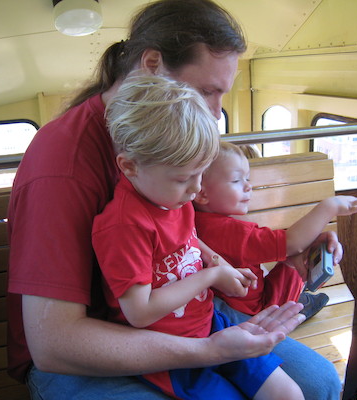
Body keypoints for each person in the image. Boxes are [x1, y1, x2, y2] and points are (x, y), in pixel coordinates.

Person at [6, 0, 343, 398]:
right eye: (206, 91)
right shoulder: (63, 165)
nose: (217, 115)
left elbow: (186, 241)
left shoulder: (178, 154)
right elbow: (55, 344)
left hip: (184, 314)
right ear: (152, 65)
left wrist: (292, 259)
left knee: (319, 384)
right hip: (89, 347)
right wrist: (205, 351)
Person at [93, 74, 305, 400]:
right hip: (171, 353)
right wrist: (212, 275)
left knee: (288, 395)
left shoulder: (173, 198)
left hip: (210, 324)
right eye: (184, 178)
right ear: (130, 166)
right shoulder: (125, 226)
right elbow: (140, 311)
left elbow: (188, 241)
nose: (195, 190)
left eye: (201, 174)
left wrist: (219, 264)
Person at [193, 141, 357, 317]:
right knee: (296, 259)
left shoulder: (194, 221)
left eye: (247, 179)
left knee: (298, 256)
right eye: (237, 180)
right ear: (202, 193)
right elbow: (292, 243)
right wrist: (330, 206)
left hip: (226, 304)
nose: (248, 186)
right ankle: (300, 306)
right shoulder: (231, 232)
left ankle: (302, 300)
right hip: (259, 311)